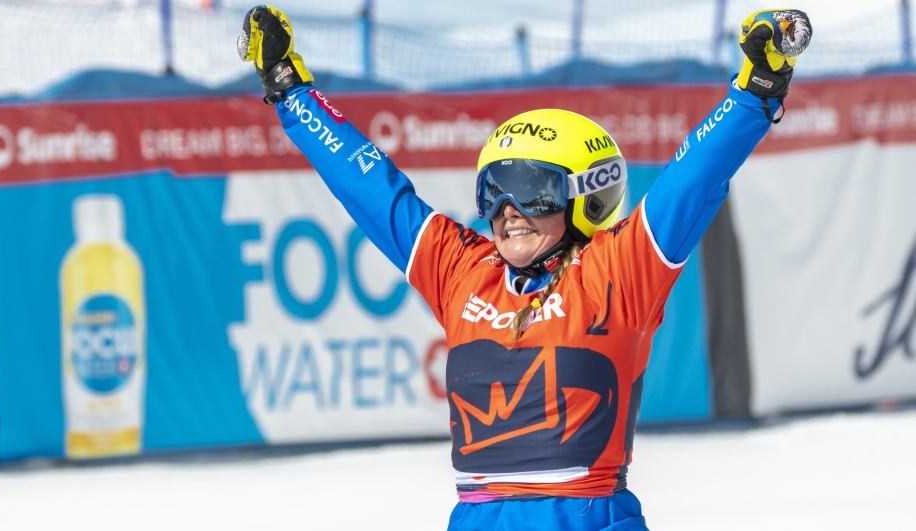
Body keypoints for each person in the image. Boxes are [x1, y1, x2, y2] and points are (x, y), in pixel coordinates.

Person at [238, 7, 811, 530]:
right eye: (493, 192)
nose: (507, 214)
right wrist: (290, 92)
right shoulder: (462, 271)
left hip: (588, 515)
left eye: (532, 192)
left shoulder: (618, 271)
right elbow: (368, 186)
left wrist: (755, 90)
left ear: (587, 196)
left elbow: (693, 179)